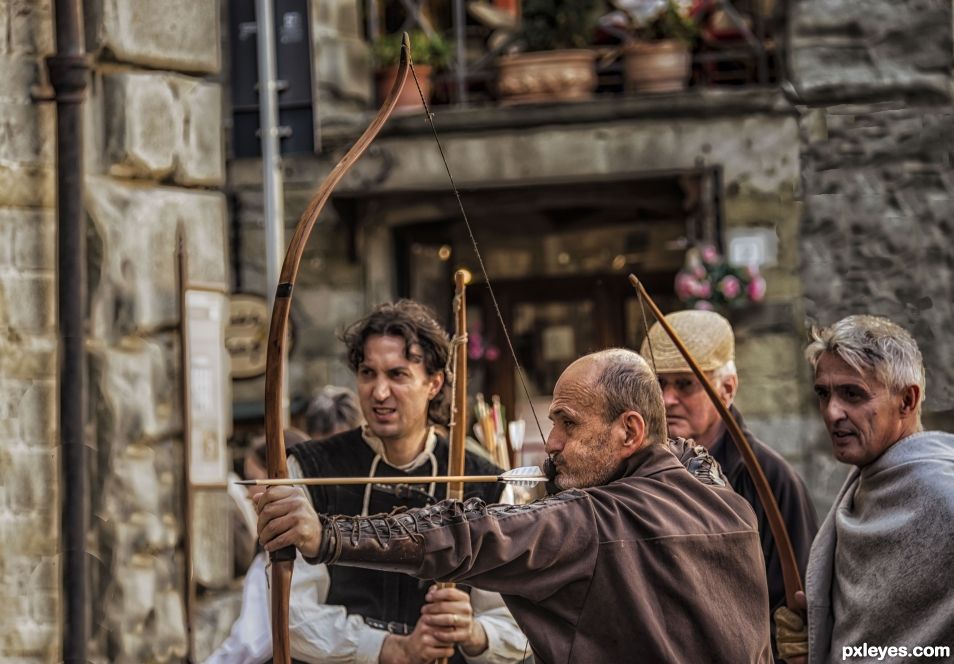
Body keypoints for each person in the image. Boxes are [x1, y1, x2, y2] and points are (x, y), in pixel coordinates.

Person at [256, 348, 773, 662]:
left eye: (568, 423)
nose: (551, 442)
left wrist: (325, 535)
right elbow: (686, 454)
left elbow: (466, 532)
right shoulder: (727, 503)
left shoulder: (591, 520)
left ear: (629, 430)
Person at [275, 301, 527, 663]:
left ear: (433, 383)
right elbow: (290, 615)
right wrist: (389, 648)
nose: (378, 392)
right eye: (367, 373)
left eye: (397, 375)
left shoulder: (484, 483)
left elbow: (517, 625)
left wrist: (474, 632)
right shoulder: (312, 468)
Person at [774, 315, 954, 664]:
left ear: (907, 401)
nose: (831, 412)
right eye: (823, 394)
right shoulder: (868, 479)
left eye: (852, 394)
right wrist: (819, 638)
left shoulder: (943, 497)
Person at [640, 309, 818, 661]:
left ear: (727, 389)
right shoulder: (634, 474)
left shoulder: (771, 479)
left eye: (686, 384)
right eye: (659, 384)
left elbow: (794, 611)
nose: (668, 399)